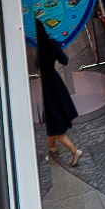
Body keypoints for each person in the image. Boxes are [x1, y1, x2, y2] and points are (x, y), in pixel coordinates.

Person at [35, 17, 82, 166]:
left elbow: (37, 65)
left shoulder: (39, 49)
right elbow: (65, 60)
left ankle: (74, 150)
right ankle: (51, 146)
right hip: (56, 81)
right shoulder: (53, 43)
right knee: (53, 116)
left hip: (47, 85)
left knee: (53, 120)